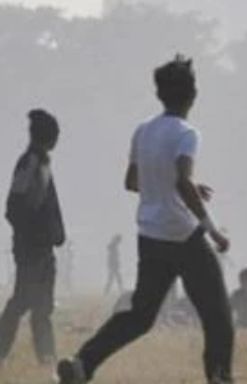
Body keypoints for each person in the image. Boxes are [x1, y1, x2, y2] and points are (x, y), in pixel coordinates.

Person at [58, 56, 233, 384]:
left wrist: (184, 186)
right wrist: (213, 231)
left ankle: (83, 363)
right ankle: (221, 378)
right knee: (217, 317)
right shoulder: (187, 133)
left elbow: (132, 182)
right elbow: (182, 181)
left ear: (160, 94)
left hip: (151, 237)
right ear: (192, 95)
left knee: (140, 315)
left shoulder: (144, 130)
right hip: (185, 237)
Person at [0, 110, 66, 366]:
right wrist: (33, 236)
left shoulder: (42, 163)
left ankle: (47, 359)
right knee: (22, 302)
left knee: (42, 306)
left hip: (42, 248)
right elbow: (13, 206)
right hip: (32, 250)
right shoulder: (30, 163)